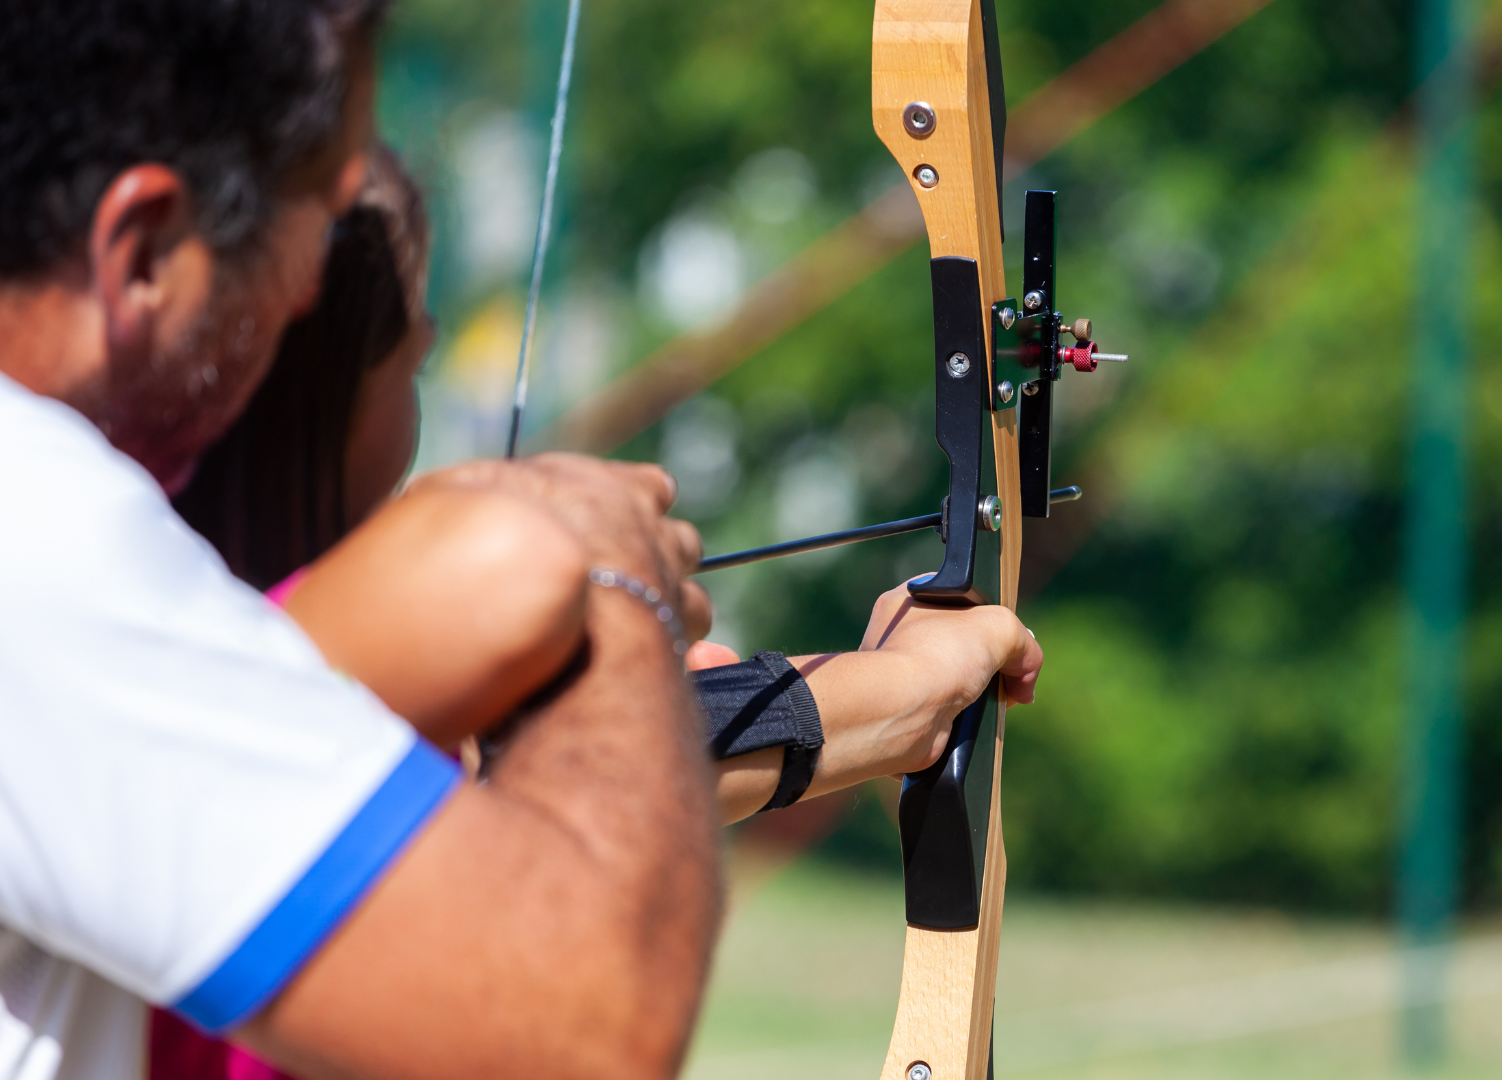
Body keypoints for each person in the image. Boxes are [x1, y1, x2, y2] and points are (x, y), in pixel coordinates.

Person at [0, 4, 1038, 1080]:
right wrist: (611, 585)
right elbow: (588, 1032)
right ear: (143, 254)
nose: (308, 283)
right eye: (309, 210)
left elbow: (479, 773)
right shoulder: (42, 548)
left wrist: (906, 691)